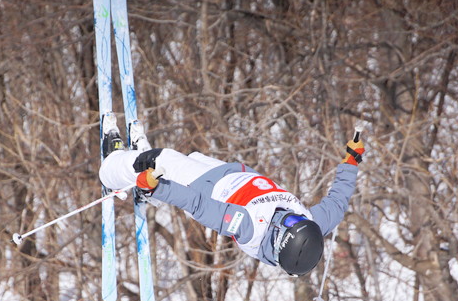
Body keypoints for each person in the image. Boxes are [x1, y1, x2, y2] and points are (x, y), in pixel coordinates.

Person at [98, 113, 363, 276]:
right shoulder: (309, 225)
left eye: (290, 223)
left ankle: (113, 166)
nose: (293, 216)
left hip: (204, 188)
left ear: (280, 237)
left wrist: (157, 186)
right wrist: (351, 163)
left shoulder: (249, 227)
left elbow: (200, 206)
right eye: (299, 220)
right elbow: (337, 204)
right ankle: (148, 178)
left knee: (163, 159)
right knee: (189, 158)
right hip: (232, 174)